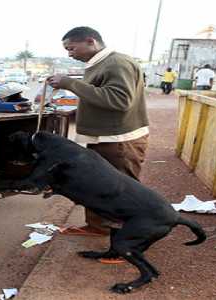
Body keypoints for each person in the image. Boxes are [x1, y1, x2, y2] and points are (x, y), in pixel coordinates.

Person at [47, 26, 149, 242]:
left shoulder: (116, 63)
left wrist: (69, 83)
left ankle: (128, 244)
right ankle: (97, 227)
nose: (70, 54)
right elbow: (100, 95)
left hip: (119, 141)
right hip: (103, 138)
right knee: (98, 185)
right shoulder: (100, 64)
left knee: (121, 192)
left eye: (72, 48)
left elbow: (119, 100)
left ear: (91, 41)